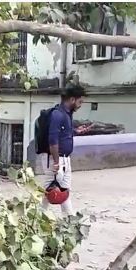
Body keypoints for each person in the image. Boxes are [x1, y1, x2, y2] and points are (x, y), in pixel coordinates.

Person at [42, 85, 91, 215]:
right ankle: (40, 217)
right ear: (72, 99)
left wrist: (76, 131)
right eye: (80, 102)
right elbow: (53, 140)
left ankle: (68, 219)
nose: (80, 105)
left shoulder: (67, 114)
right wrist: (56, 162)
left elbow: (63, 135)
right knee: (50, 191)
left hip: (64, 158)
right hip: (56, 158)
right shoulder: (58, 114)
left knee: (62, 190)